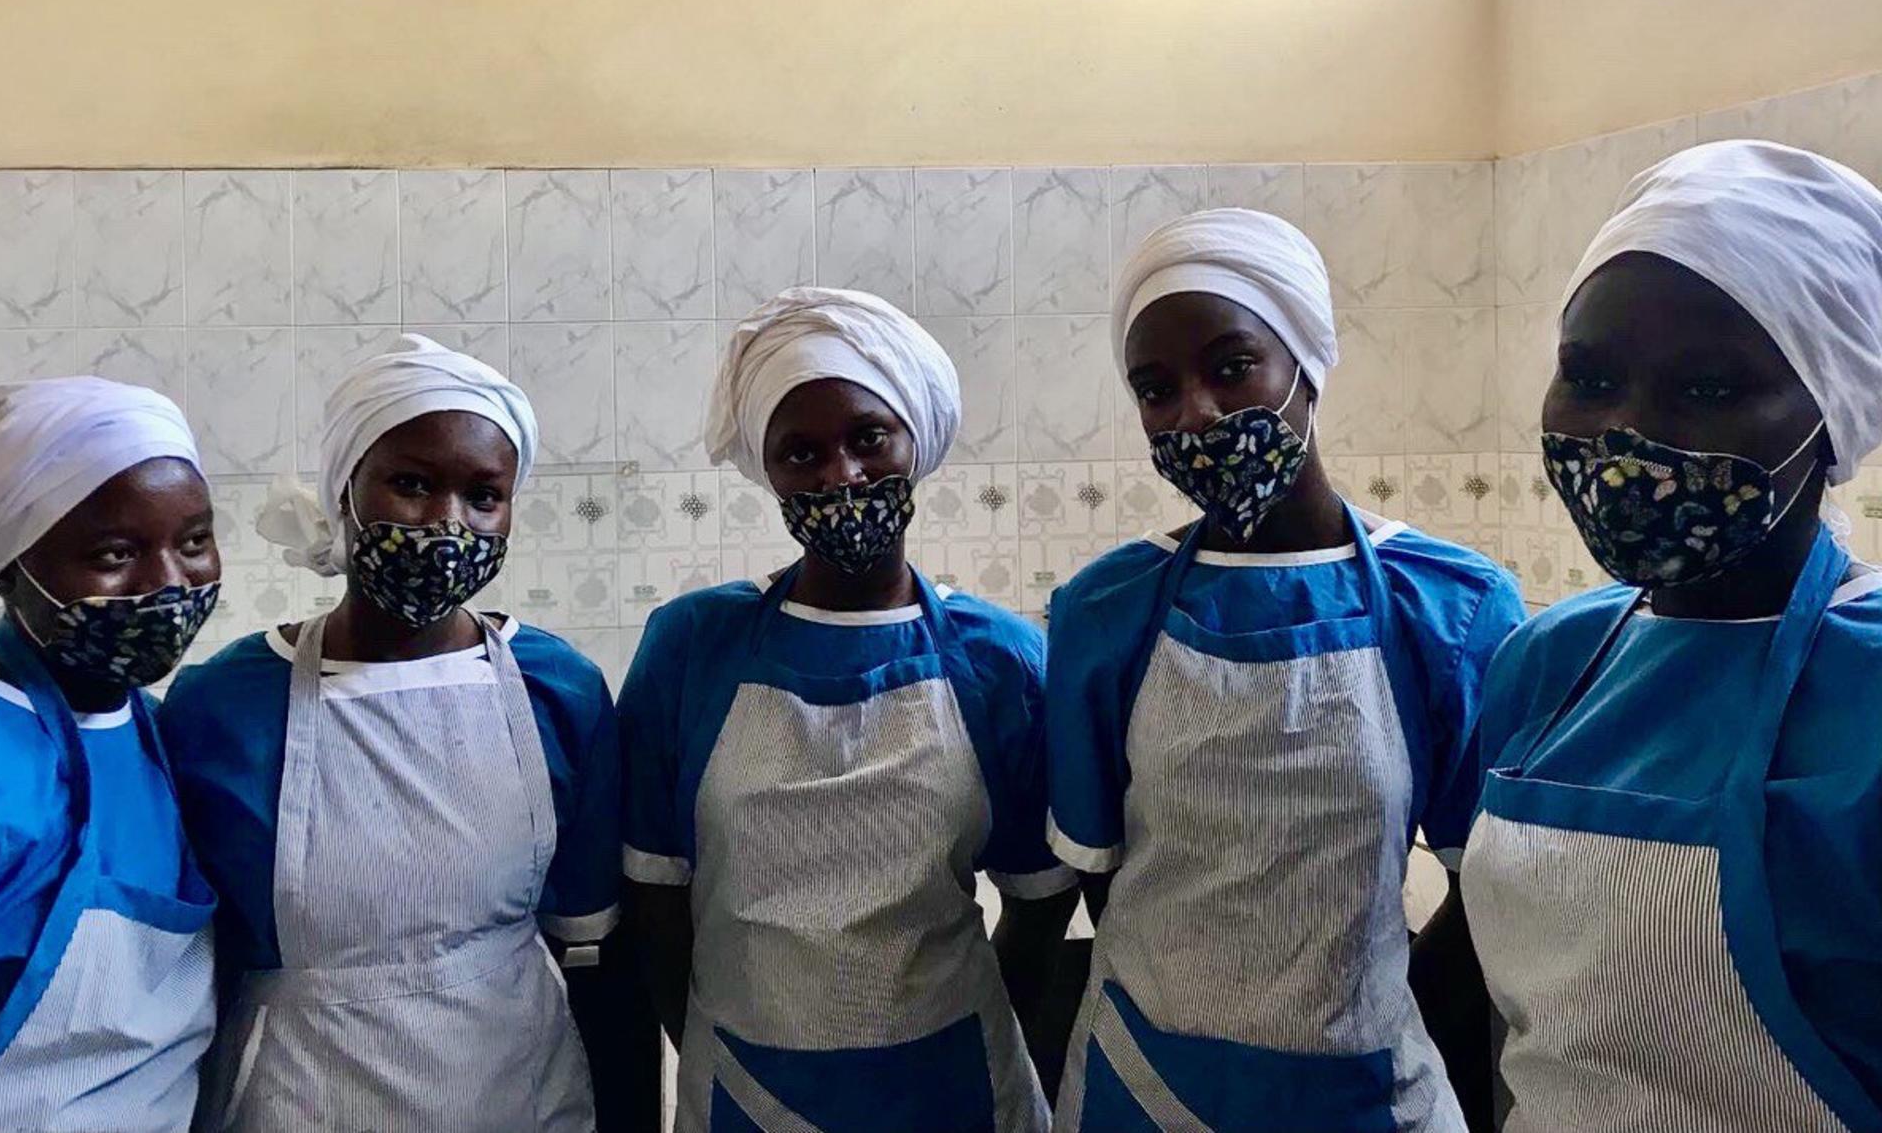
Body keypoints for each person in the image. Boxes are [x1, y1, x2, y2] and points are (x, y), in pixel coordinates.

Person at [1045, 209, 1526, 1132]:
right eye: (1156, 388)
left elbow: (1487, 887)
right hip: (1144, 1087)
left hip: (1365, 1091)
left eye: (1232, 369)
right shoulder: (1106, 610)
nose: (1197, 413)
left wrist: (1364, 1014)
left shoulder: (1451, 605)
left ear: (1305, 359)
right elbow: (1103, 873)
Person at [1461, 140, 1882, 1131]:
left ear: (1830, 419)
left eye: (1704, 388)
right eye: (1589, 376)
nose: (1623, 435)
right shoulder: (1545, 662)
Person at [619, 286, 1077, 1131]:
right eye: (801, 453)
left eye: (868, 437)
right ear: (769, 470)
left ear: (916, 441)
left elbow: (1041, 894)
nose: (841, 475)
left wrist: (945, 1023)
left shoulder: (999, 658)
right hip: (747, 1091)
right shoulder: (693, 646)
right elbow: (652, 894)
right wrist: (720, 1031)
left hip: (960, 1089)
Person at [160, 334, 620, 1131]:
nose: (447, 522)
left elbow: (597, 960)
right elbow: (195, 969)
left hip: (517, 1095)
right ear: (345, 491)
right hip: (300, 1098)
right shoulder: (221, 707)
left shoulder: (557, 690)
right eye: (410, 484)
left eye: (484, 495)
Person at [0, 378, 222, 1132]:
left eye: (193, 541)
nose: (169, 582)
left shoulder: (157, 734)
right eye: (114, 553)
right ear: (9, 568)